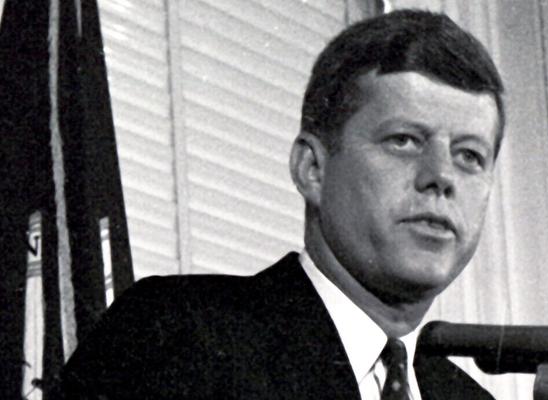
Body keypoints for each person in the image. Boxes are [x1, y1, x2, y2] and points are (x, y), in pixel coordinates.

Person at [59, 8, 505, 400]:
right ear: (312, 168)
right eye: (404, 141)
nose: (442, 177)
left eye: (470, 155)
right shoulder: (178, 337)